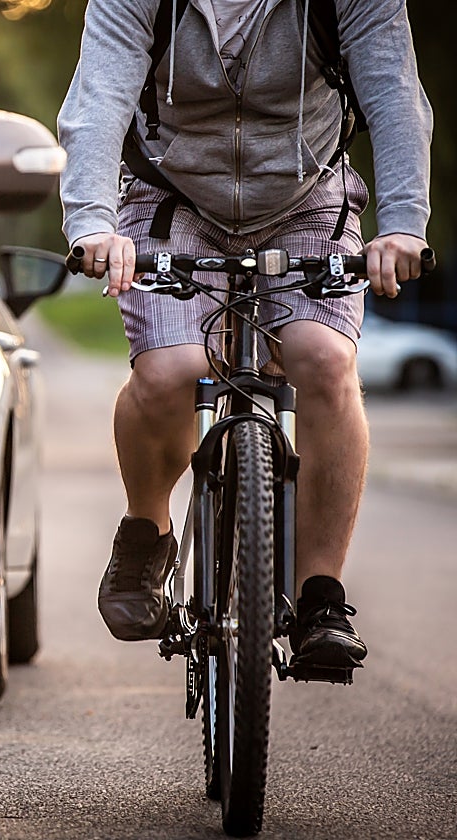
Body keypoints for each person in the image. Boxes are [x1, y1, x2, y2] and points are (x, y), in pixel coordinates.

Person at [56, 0, 432, 668]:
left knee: (322, 361)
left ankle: (321, 596)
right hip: (171, 197)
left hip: (307, 197)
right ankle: (148, 529)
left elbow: (393, 90)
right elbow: (100, 92)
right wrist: (91, 221)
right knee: (170, 371)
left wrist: (403, 222)